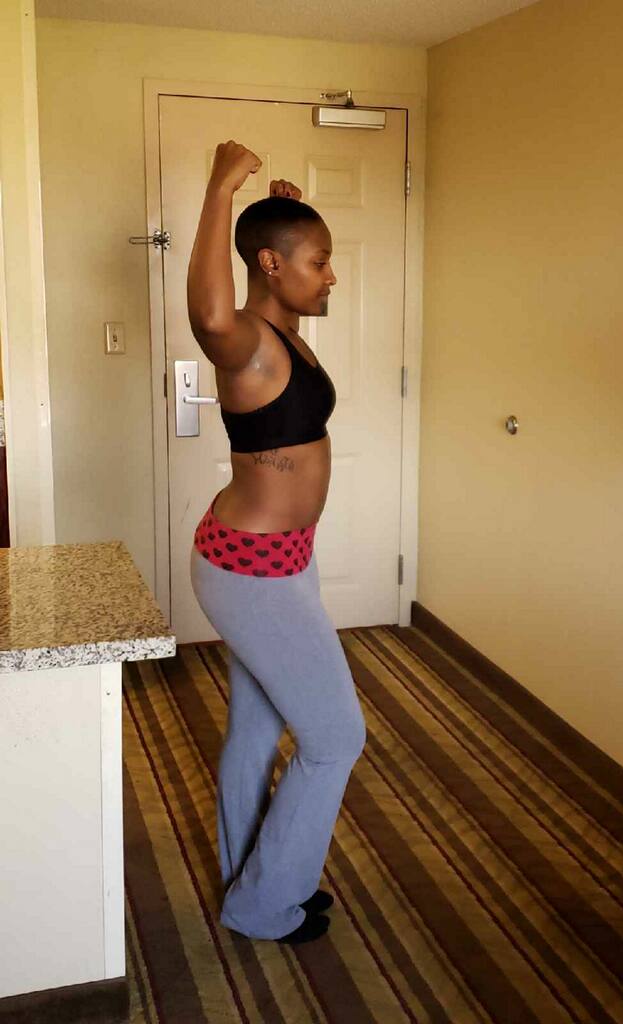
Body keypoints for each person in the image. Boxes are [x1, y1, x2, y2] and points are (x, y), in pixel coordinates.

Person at [187, 140, 367, 945]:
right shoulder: (245, 345)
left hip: (282, 559)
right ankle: (264, 904)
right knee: (336, 738)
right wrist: (222, 189)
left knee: (260, 727)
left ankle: (249, 876)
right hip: (252, 573)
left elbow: (273, 295)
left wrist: (281, 222)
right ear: (270, 265)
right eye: (319, 262)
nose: (331, 276)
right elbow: (209, 316)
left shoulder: (281, 332)